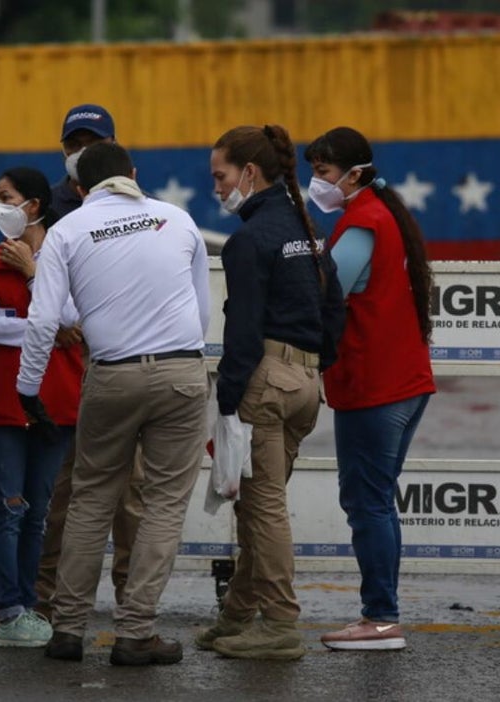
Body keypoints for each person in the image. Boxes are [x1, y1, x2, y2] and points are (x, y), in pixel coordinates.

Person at [16, 142, 211, 666]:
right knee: (164, 505)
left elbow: (43, 320)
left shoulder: (67, 230)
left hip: (111, 376)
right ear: (133, 175)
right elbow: (202, 309)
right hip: (181, 372)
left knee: (90, 499)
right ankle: (135, 632)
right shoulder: (177, 218)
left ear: (80, 189)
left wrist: (28, 388)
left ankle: (67, 629)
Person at [195, 124, 345, 661]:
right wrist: (316, 365)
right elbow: (336, 308)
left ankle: (280, 622)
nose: (216, 187)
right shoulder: (307, 230)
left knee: (262, 511)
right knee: (258, 511)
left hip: (265, 383)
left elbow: (242, 332)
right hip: (306, 385)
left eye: (221, 175)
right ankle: (236, 615)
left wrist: (229, 403)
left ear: (249, 174)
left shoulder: (249, 240)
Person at [303, 126, 436, 651]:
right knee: (377, 501)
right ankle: (382, 614)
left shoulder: (361, 224)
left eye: (324, 173)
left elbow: (325, 296)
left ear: (354, 174)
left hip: (374, 387)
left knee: (368, 504)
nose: (318, 183)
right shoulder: (385, 217)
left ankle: (380, 619)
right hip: (404, 382)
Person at [31, 103, 145, 619]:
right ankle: (44, 599)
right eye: (74, 144)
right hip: (66, 369)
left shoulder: (141, 208)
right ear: (63, 150)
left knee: (131, 496)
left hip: (122, 362)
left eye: (92, 143)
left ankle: (131, 601)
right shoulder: (45, 207)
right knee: (61, 492)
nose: (82, 153)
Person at [0, 167, 83, 647]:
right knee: (9, 507)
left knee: (38, 511)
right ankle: (10, 608)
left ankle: (32, 604)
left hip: (57, 401)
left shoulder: (69, 256)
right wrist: (47, 328)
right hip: (2, 403)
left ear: (32, 206)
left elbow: (80, 318)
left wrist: (36, 280)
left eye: (6, 197)